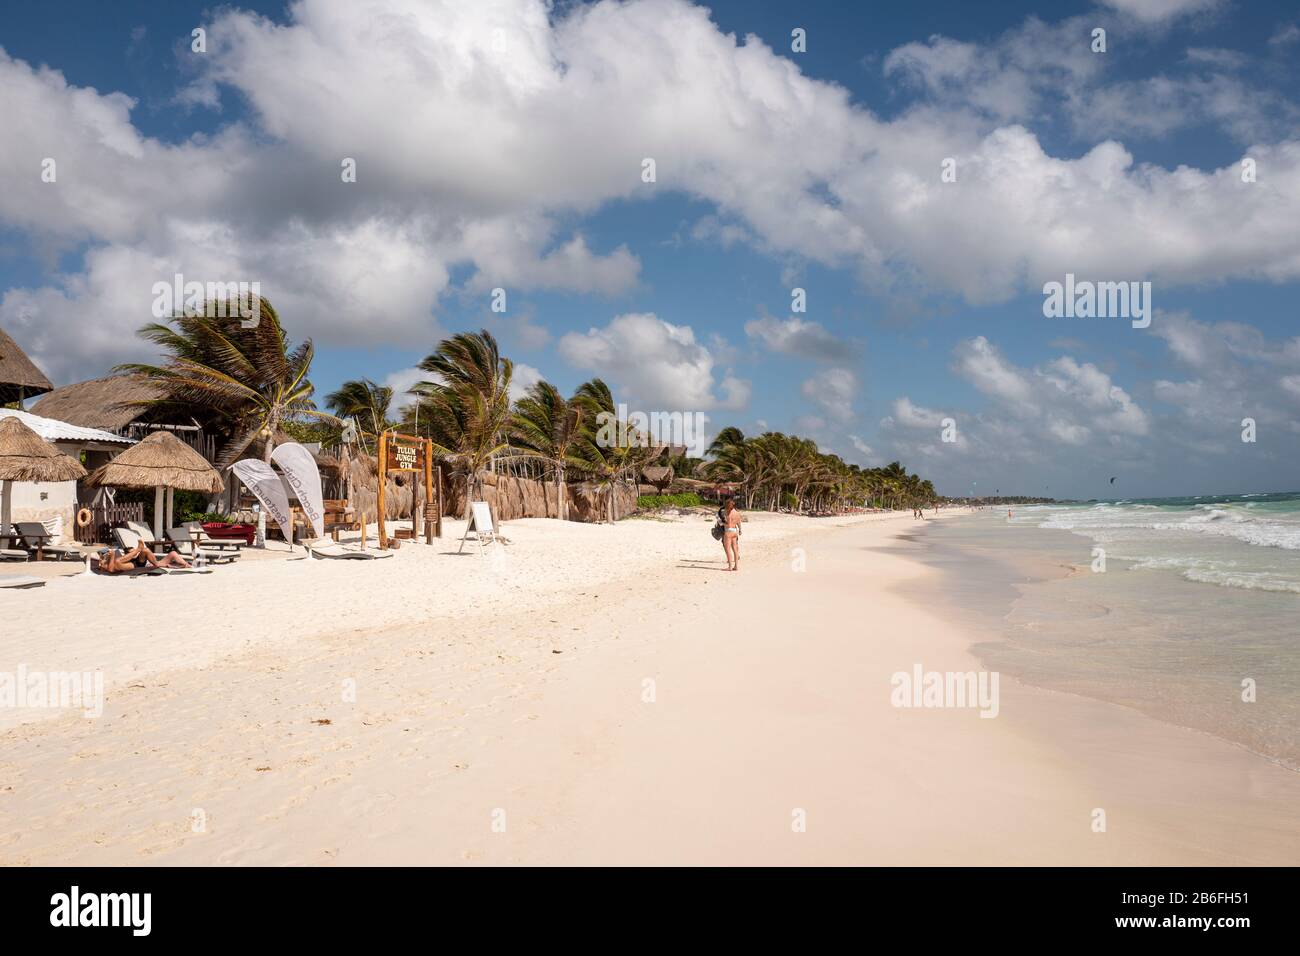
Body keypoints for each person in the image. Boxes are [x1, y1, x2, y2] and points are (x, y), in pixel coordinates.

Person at [97, 540, 191, 574]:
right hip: (137, 565)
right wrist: (111, 556)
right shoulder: (104, 563)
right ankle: (139, 549)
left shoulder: (106, 558)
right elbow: (111, 570)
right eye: (132, 551)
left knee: (173, 552)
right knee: (117, 562)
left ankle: (186, 565)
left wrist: (185, 564)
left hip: (143, 562)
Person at [719, 496, 744, 571]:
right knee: (735, 549)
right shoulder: (737, 513)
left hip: (728, 531)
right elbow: (739, 522)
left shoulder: (727, 513)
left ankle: (730, 567)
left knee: (728, 549)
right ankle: (736, 566)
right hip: (735, 531)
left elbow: (726, 524)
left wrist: (721, 523)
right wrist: (740, 530)